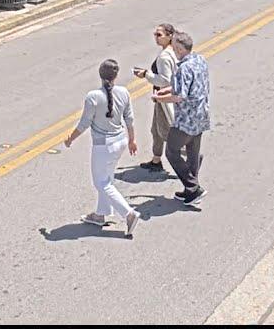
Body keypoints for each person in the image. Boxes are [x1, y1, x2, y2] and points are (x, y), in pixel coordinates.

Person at [63, 59, 140, 237]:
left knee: (101, 183)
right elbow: (129, 118)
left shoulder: (93, 97)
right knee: (107, 179)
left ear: (100, 74)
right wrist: (132, 140)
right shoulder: (124, 92)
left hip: (103, 146)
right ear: (116, 75)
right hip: (120, 141)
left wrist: (70, 139)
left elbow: (84, 123)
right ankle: (100, 214)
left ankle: (128, 214)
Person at [154, 31, 210, 205]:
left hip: (186, 120)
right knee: (193, 153)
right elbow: (185, 87)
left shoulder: (183, 68)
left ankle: (193, 187)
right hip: (201, 115)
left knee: (171, 151)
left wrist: (160, 98)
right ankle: (190, 191)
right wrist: (167, 90)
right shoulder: (199, 60)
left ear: (178, 48)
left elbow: (180, 96)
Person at [133, 23, 177, 173]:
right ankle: (156, 160)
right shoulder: (172, 51)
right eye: (155, 35)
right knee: (155, 130)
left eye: (159, 35)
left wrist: (146, 74)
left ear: (170, 36)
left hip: (164, 98)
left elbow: (164, 80)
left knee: (165, 131)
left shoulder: (165, 57)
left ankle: (191, 157)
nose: (156, 38)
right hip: (162, 98)